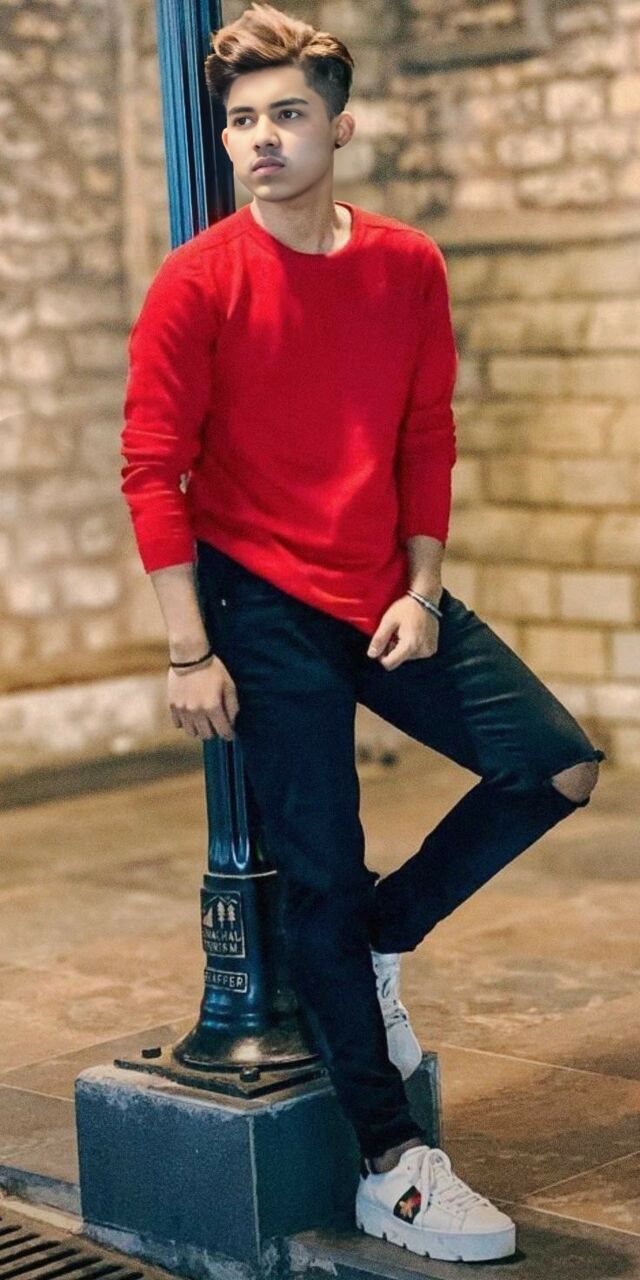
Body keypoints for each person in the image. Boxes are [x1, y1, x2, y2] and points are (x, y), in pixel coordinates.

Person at [120, 2, 606, 1263]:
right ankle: (393, 1166)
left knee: (554, 762)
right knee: (320, 872)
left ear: (339, 127)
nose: (261, 138)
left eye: (287, 113)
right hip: (257, 605)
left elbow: (424, 433)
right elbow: (153, 468)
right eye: (241, 120)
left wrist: (421, 587)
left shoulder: (405, 265)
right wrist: (189, 647)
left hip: (385, 587)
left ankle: (384, 937)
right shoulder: (196, 280)